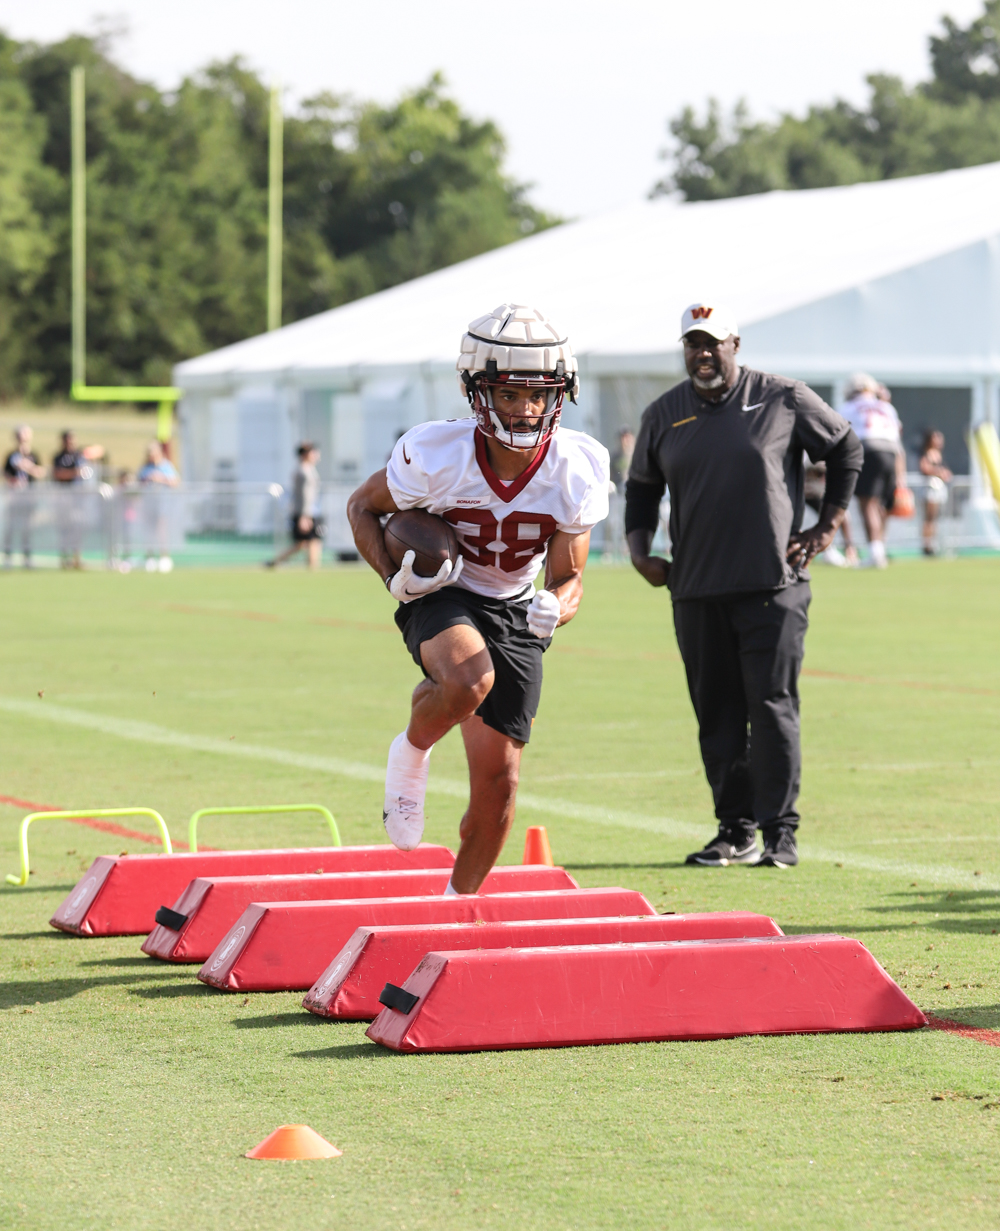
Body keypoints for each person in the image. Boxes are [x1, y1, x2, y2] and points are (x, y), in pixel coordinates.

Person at [347, 303, 609, 893]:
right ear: (477, 392)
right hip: (446, 590)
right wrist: (394, 576)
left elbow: (571, 577)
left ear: (559, 395)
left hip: (515, 602)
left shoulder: (576, 465)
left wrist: (555, 604)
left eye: (537, 395)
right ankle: (411, 754)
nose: (525, 408)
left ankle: (453, 905)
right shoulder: (437, 454)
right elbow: (361, 507)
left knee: (501, 790)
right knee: (468, 681)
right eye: (509, 393)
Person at [625, 302, 862, 870]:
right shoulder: (664, 413)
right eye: (692, 344)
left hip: (772, 584)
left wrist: (825, 526)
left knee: (772, 705)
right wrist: (638, 552)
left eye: (713, 343)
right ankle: (735, 830)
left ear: (735, 344)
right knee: (717, 712)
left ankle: (780, 832)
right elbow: (640, 491)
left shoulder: (783, 396)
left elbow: (847, 448)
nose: (702, 354)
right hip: (697, 587)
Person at [838, 375, 905, 569]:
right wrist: (901, 475)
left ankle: (875, 550)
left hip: (868, 449)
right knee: (882, 504)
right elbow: (898, 442)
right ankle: (879, 548)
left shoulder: (849, 407)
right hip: (891, 453)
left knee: (867, 502)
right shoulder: (887, 407)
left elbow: (840, 436)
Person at [52, 430, 104, 570]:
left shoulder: (78, 456)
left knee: (78, 528)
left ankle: (77, 557)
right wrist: (73, 473)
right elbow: (58, 474)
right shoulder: (58, 457)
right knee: (65, 528)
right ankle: (64, 557)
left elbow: (98, 453)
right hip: (64, 498)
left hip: (78, 499)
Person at [266, 443, 324, 570]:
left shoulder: (308, 469)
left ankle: (275, 562)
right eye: (312, 452)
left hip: (309, 511)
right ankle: (312, 570)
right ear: (305, 454)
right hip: (306, 512)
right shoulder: (303, 471)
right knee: (312, 542)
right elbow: (304, 495)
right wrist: (305, 515)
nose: (316, 454)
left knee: (303, 543)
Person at [3, 426, 44, 568]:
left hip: (29, 498)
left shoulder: (33, 455)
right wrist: (13, 481)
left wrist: (27, 467)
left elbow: (40, 472)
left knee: (27, 528)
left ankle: (27, 556)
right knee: (12, 527)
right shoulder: (12, 455)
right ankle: (8, 556)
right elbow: (6, 473)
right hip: (15, 497)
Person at [136, 441, 179, 572]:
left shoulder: (166, 466)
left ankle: (164, 556)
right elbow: (139, 482)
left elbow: (175, 482)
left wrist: (160, 479)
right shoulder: (145, 468)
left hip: (162, 502)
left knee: (162, 529)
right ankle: (149, 556)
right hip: (149, 503)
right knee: (148, 530)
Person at [918, 429, 952, 556]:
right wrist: (939, 472)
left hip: (938, 488)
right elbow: (924, 468)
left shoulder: (939, 454)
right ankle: (927, 545)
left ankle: (933, 543)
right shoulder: (927, 454)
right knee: (929, 517)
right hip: (930, 488)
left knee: (934, 518)